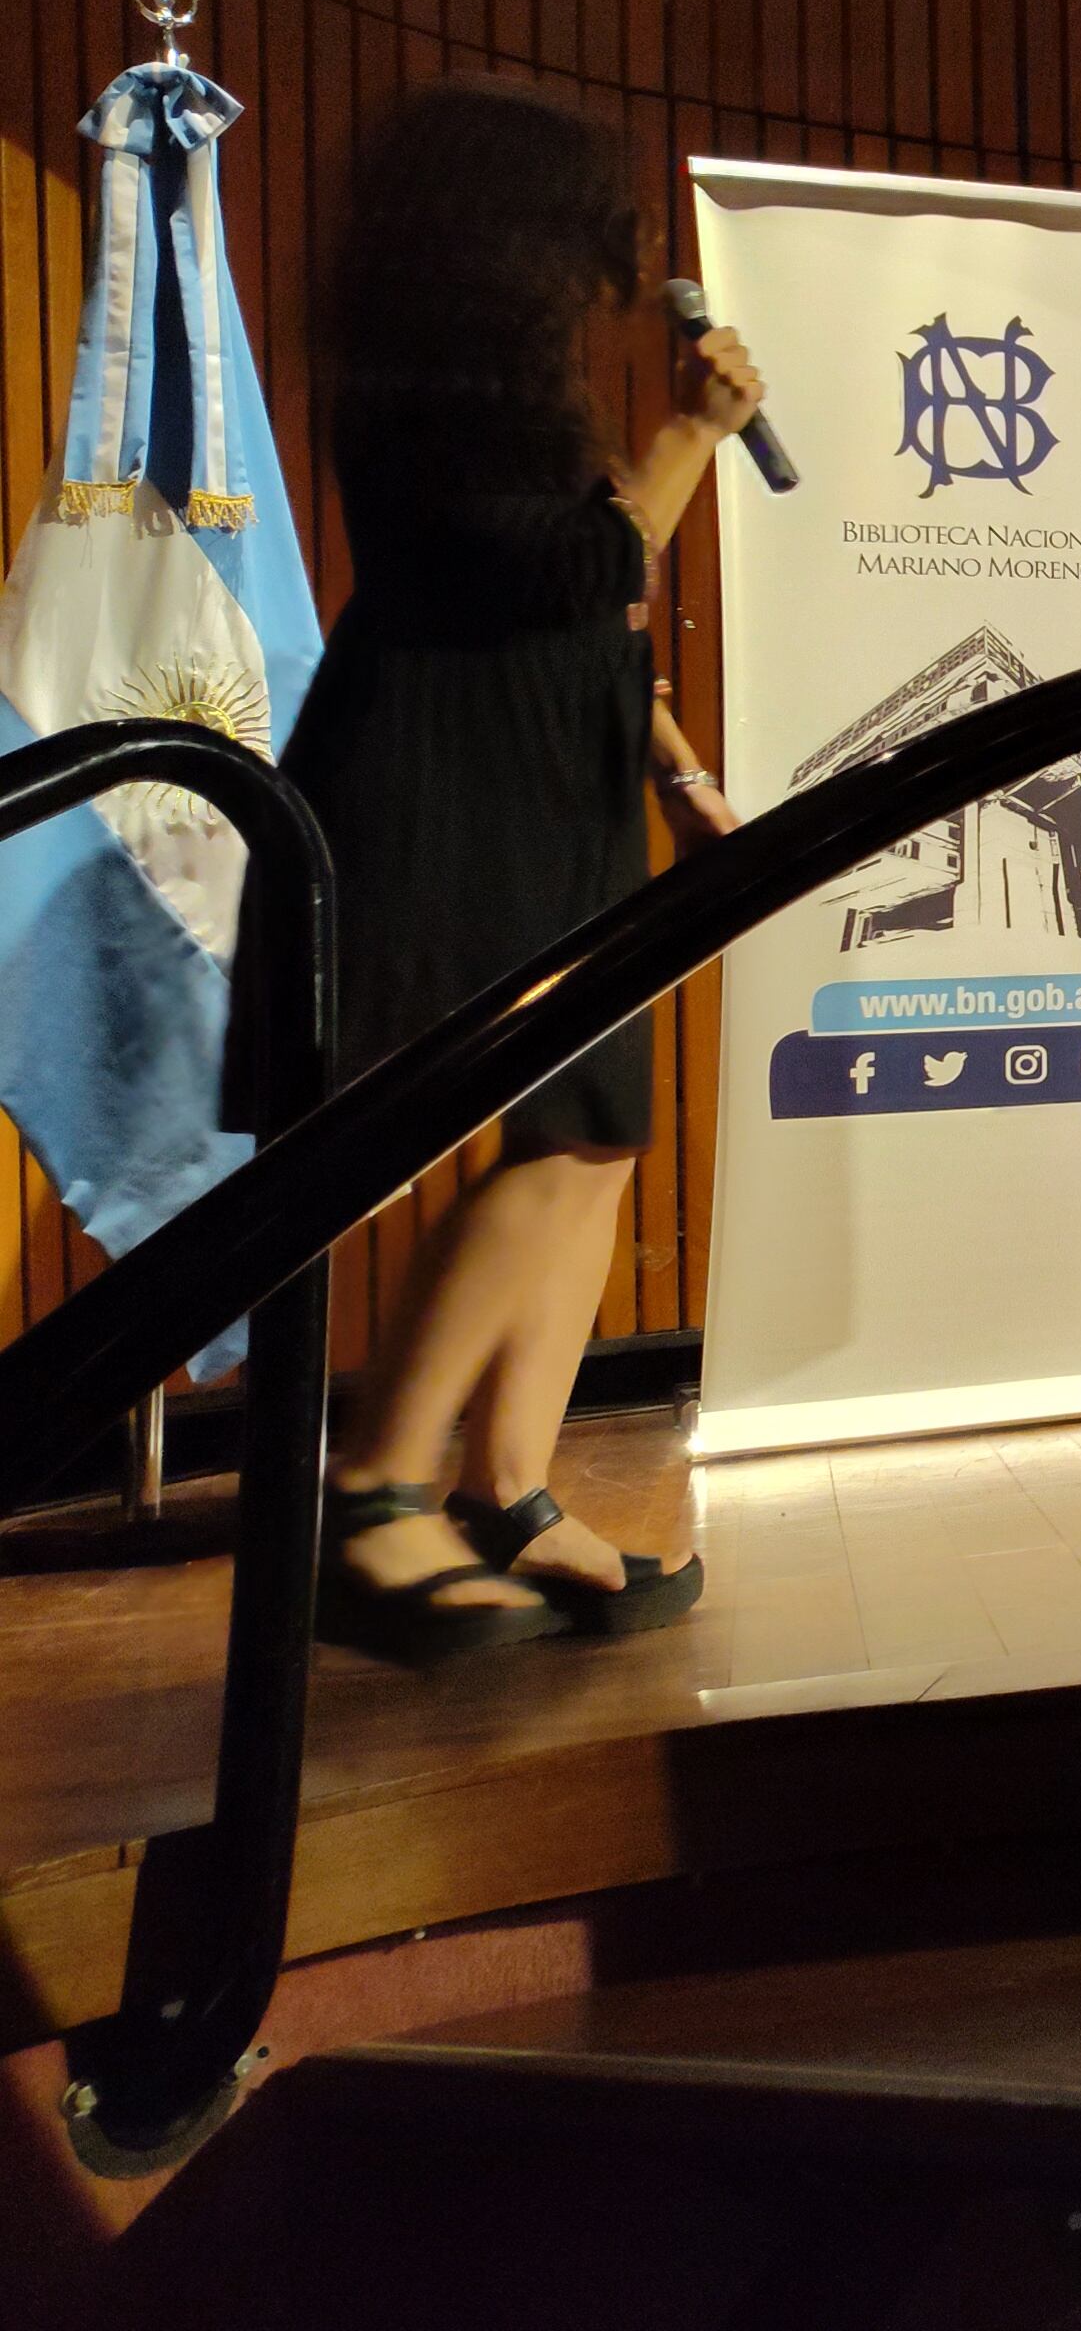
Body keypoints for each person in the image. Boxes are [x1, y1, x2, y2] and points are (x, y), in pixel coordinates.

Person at [254, 81, 760, 1662]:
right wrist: (696, 431)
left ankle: (512, 1492)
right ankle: (378, 1498)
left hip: (556, 784)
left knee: (594, 1128)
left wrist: (677, 769)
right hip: (448, 786)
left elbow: (586, 625)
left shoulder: (506, 385)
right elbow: (584, 566)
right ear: (509, 235)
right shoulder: (424, 389)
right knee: (548, 1126)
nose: (611, 252)